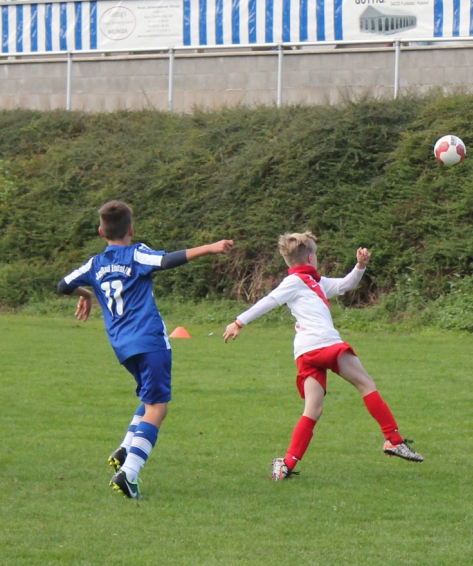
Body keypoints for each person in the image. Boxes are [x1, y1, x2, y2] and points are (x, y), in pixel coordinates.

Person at [58, 200, 234, 499]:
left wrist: (86, 292)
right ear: (131, 229)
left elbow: (63, 285)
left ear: (101, 231)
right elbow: (166, 261)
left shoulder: (94, 264)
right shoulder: (137, 253)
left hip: (122, 346)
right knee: (158, 407)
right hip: (150, 340)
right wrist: (211, 247)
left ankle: (126, 449)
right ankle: (129, 474)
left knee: (150, 396)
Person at [223, 231, 422, 481]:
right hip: (324, 344)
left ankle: (285, 464)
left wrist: (360, 265)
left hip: (306, 352)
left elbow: (346, 284)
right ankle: (393, 440)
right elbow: (270, 300)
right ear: (310, 257)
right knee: (366, 384)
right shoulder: (297, 282)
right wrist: (239, 321)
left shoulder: (314, 282)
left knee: (313, 409)